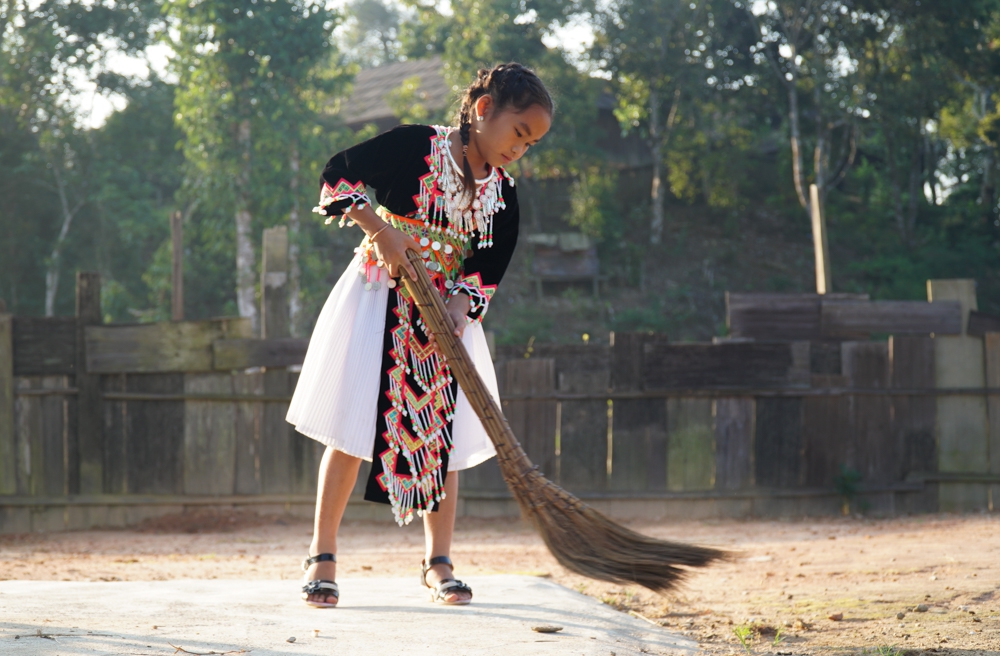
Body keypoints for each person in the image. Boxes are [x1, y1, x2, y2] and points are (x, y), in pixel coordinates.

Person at [286, 62, 553, 608]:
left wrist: (461, 303)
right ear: (483, 111)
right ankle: (323, 556)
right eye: (518, 133)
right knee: (351, 427)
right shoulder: (416, 146)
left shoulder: (504, 195)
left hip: (444, 322)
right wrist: (380, 231)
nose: (519, 149)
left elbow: (489, 264)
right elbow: (339, 175)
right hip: (378, 297)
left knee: (443, 440)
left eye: (531, 144)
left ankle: (439, 563)